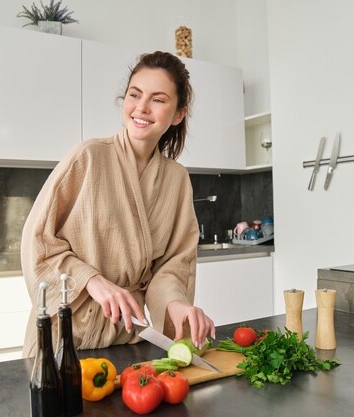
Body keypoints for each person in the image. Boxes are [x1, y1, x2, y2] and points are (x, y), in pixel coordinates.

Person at [21, 51, 215, 355]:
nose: (141, 107)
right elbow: (38, 240)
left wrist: (175, 304)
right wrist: (92, 281)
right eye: (135, 95)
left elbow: (173, 267)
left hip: (127, 339)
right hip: (66, 336)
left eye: (158, 99)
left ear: (178, 114)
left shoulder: (177, 180)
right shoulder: (88, 157)